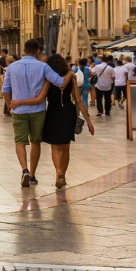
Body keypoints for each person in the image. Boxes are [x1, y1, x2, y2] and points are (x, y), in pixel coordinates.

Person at [2, 38, 68, 189]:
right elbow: (60, 82)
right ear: (38, 51)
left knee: (20, 141)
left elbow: (5, 90)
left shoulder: (12, 67)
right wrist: (70, 74)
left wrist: (10, 107)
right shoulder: (43, 67)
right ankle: (32, 175)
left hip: (18, 110)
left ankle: (24, 169)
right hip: (38, 111)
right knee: (35, 142)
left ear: (23, 51)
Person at [39, 51, 93, 189]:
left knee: (55, 146)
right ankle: (63, 176)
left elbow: (42, 97)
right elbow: (79, 101)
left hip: (53, 111)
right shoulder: (72, 78)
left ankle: (58, 172)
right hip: (68, 112)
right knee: (66, 146)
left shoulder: (48, 79)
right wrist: (88, 121)